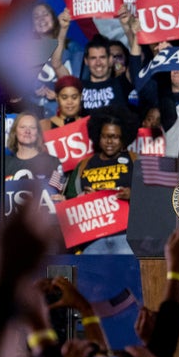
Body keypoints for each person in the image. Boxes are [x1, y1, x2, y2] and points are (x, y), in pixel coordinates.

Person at [64, 106, 139, 254]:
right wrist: (83, 198)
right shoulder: (84, 165)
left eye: (115, 137)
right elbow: (70, 200)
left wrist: (133, 194)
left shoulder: (135, 160)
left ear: (123, 137)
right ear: (98, 136)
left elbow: (154, 197)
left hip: (125, 237)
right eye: (105, 136)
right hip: (92, 240)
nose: (109, 142)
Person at [0, 111, 60, 182]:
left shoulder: (53, 162)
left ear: (38, 133)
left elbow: (57, 191)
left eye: (32, 127)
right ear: (15, 132)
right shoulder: (3, 164)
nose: (27, 131)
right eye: (22, 127)